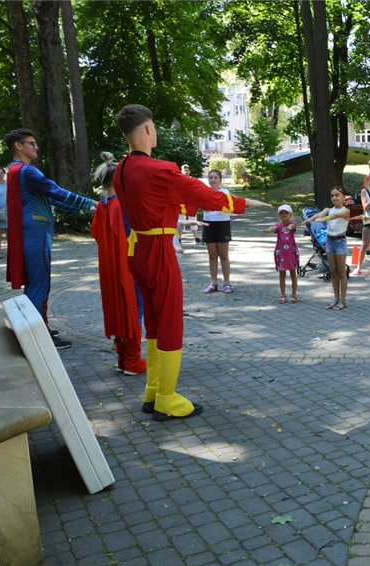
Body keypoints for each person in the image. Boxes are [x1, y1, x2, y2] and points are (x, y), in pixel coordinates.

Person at [113, 104, 267, 421]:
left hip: (137, 249)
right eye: (153, 125)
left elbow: (162, 200)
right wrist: (242, 202)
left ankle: (153, 391)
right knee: (169, 320)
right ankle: (166, 398)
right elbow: (200, 193)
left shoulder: (122, 168)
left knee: (154, 321)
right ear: (146, 130)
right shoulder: (158, 169)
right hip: (157, 250)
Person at [3, 129, 96, 350]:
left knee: (37, 284)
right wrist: (91, 203)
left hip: (31, 231)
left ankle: (39, 326)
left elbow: (49, 197)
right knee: (39, 284)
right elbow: (56, 191)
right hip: (35, 232)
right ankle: (38, 336)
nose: (36, 147)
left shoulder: (14, 171)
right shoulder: (27, 171)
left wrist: (85, 208)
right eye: (31, 143)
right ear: (18, 146)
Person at [90, 152, 146, 376]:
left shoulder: (103, 205)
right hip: (126, 264)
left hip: (109, 265)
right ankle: (132, 361)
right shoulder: (120, 205)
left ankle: (122, 359)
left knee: (117, 309)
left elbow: (96, 232)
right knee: (134, 308)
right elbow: (132, 234)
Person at [202, 170, 271, 294]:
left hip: (222, 224)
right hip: (208, 224)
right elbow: (202, 206)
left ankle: (227, 283)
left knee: (223, 255)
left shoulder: (225, 192)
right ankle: (213, 283)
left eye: (215, 177)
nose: (213, 180)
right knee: (212, 255)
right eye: (210, 177)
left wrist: (222, 209)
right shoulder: (204, 192)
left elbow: (240, 203)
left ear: (220, 180)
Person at [302, 186, 351, 310]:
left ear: (343, 197)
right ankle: (336, 299)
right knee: (333, 272)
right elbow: (319, 214)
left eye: (337, 195)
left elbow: (337, 216)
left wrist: (325, 218)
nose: (334, 197)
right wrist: (309, 220)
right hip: (330, 242)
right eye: (332, 195)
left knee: (341, 273)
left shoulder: (346, 211)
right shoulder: (328, 209)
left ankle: (343, 301)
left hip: (340, 242)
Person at [264, 205, 300, 304]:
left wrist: (288, 227)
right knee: (282, 274)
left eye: (286, 213)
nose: (284, 215)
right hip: (281, 253)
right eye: (281, 213)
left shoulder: (293, 224)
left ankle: (294, 294)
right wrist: (269, 229)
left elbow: (292, 226)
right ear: (279, 215)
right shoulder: (278, 226)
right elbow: (274, 227)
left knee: (293, 273)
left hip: (291, 253)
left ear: (290, 215)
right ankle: (283, 294)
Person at [177, 164, 201, 245]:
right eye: (184, 170)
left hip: (191, 203)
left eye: (187, 170)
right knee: (181, 221)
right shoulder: (179, 180)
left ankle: (196, 238)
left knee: (193, 220)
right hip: (182, 204)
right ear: (181, 171)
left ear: (189, 171)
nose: (186, 172)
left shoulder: (193, 180)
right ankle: (179, 238)